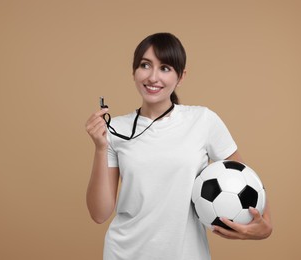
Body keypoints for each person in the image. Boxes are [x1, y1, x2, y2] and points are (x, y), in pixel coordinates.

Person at [85, 32, 272, 260]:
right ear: (134, 71)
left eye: (165, 68)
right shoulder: (116, 129)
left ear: (181, 76)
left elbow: (244, 177)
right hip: (124, 253)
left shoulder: (203, 120)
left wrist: (264, 225)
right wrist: (100, 148)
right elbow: (99, 214)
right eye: (145, 65)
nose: (153, 77)